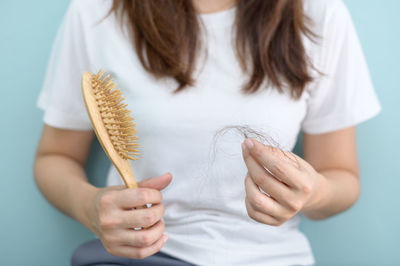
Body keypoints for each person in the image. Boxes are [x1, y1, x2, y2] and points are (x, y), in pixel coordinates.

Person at [34, 0, 381, 265]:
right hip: (144, 256)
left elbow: (342, 176)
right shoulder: (98, 11)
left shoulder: (317, 12)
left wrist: (313, 193)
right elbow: (56, 156)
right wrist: (89, 208)